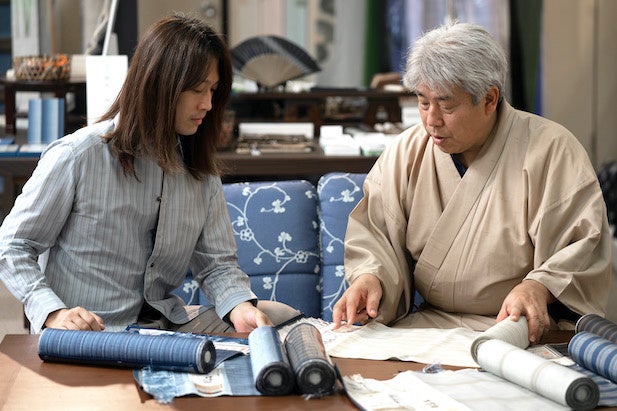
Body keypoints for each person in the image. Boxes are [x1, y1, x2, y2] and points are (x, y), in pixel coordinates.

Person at [0, 14, 300, 334]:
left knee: (278, 316)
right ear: (160, 85)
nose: (208, 104)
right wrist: (53, 311)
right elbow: (13, 245)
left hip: (159, 327)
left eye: (213, 90)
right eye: (198, 90)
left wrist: (240, 307)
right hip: (87, 334)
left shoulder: (200, 171)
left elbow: (217, 265)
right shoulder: (78, 156)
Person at [332, 22, 615, 344]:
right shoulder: (406, 152)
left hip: (518, 328)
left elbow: (580, 245)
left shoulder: (551, 150)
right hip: (428, 328)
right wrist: (371, 277)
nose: (431, 120)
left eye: (446, 105)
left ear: (489, 99)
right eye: (423, 102)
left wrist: (538, 286)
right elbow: (376, 233)